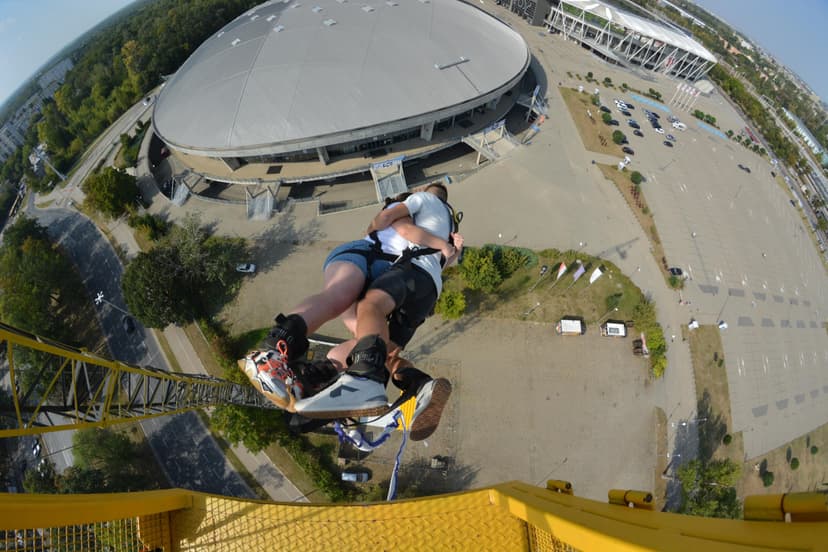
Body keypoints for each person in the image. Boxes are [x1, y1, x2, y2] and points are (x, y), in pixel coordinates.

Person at [242, 185, 461, 433]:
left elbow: (412, 238)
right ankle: (280, 348)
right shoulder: (410, 209)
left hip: (393, 272)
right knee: (341, 296)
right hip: (368, 258)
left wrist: (445, 246)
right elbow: (393, 224)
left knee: (378, 349)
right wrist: (446, 246)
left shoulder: (427, 214)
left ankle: (335, 387)